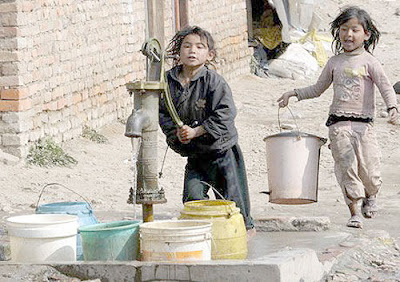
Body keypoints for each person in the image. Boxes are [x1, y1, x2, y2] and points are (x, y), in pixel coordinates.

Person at [277, 6, 398, 229]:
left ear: (366, 34)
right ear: (338, 32)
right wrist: (293, 93)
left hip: (365, 127)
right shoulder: (335, 63)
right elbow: (317, 89)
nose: (348, 35)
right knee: (346, 168)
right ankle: (354, 212)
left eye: (354, 30)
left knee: (369, 171)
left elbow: (385, 86)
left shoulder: (370, 62)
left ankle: (371, 195)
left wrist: (393, 107)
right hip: (338, 124)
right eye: (344, 29)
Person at [159, 26, 255, 236]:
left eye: (199, 47)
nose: (192, 51)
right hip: (195, 154)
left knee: (232, 202)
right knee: (193, 199)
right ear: (179, 52)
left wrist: (197, 131)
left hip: (222, 151)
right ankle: (203, 237)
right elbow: (163, 113)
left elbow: (225, 115)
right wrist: (176, 134)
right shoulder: (168, 82)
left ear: (209, 55)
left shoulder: (214, 82)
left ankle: (243, 235)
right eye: (187, 46)